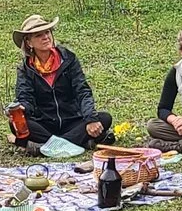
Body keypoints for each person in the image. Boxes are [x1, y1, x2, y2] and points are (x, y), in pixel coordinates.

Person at [10, 14, 111, 150]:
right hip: (45, 124)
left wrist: (90, 119)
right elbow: (25, 98)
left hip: (72, 120)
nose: (45, 37)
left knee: (104, 118)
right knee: (16, 124)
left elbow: (82, 90)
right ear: (29, 43)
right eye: (38, 35)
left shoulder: (68, 59)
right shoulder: (25, 69)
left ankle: (46, 148)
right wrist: (22, 109)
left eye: (47, 32)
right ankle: (78, 143)